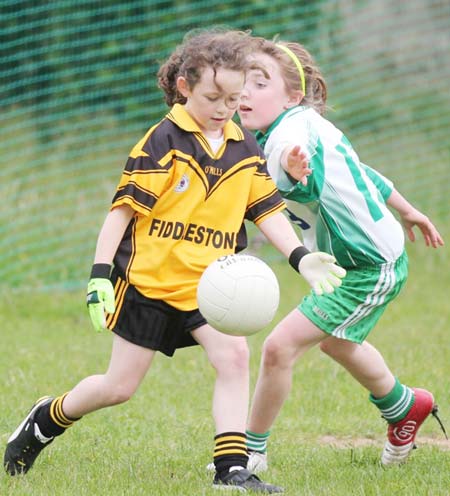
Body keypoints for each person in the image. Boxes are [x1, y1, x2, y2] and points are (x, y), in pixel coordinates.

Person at [3, 30, 346, 493]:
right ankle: (45, 418)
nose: (225, 108)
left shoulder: (243, 147)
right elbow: (121, 214)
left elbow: (266, 210)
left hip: (210, 285)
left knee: (233, 356)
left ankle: (231, 471)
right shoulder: (161, 141)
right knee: (118, 388)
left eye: (234, 98)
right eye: (213, 97)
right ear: (185, 87)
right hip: (148, 284)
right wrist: (99, 276)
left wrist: (301, 258)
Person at [236, 37, 446, 472]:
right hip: (353, 261)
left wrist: (297, 175)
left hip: (370, 266)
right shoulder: (304, 123)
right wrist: (406, 208)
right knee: (335, 340)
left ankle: (250, 454)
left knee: (279, 348)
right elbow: (357, 166)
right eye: (242, 82)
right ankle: (405, 407)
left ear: (292, 95)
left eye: (259, 83)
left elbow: (304, 183)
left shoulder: (289, 137)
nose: (244, 92)